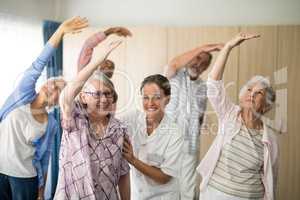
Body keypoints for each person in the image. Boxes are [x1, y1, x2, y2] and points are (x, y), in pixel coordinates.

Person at [0, 16, 88, 200]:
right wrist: (61, 30)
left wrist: (41, 192)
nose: (53, 88)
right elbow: (38, 63)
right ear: (42, 85)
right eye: (52, 83)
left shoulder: (51, 124)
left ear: (59, 101)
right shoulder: (22, 95)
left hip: (25, 179)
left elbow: (44, 159)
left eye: (59, 90)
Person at [197, 33, 279, 200]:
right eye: (249, 89)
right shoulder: (230, 114)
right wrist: (228, 47)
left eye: (259, 93)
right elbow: (213, 85)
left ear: (267, 104)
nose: (252, 94)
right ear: (242, 95)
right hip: (215, 194)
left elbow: (271, 178)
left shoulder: (269, 138)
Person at [55, 38, 130, 199]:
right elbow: (65, 96)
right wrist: (98, 60)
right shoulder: (74, 119)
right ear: (83, 97)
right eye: (97, 94)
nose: (104, 99)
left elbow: (124, 174)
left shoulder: (120, 129)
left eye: (108, 93)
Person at [165, 43, 223, 199]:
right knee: (165, 186)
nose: (199, 64)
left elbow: (200, 115)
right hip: (167, 142)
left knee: (189, 188)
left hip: (190, 144)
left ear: (206, 69)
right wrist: (205, 48)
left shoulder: (203, 87)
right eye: (197, 59)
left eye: (204, 64)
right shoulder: (173, 75)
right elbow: (174, 63)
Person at [121, 74, 184, 200]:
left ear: (167, 99)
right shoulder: (132, 119)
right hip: (138, 195)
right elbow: (108, 123)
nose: (150, 103)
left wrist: (133, 160)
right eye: (145, 98)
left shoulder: (175, 132)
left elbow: (164, 177)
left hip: (164, 196)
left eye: (156, 98)